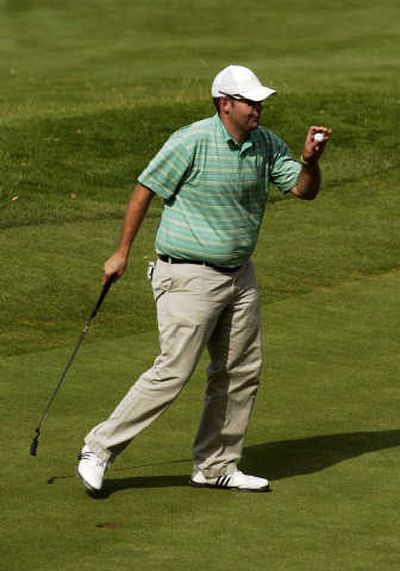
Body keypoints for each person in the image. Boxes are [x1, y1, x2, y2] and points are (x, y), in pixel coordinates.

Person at [77, 64, 331, 493]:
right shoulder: (191, 140)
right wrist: (121, 251)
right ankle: (98, 448)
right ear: (224, 104)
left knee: (239, 370)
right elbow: (145, 188)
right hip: (187, 274)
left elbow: (305, 190)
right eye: (250, 101)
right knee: (173, 370)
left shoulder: (265, 144)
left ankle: (215, 466)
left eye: (259, 101)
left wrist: (310, 162)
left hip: (239, 276)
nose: (258, 108)